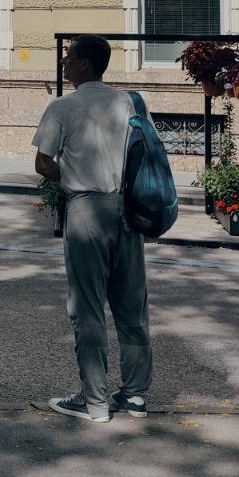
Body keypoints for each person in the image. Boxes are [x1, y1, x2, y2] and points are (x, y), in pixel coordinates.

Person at [32, 34, 151, 424]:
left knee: (87, 307)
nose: (64, 63)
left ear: (84, 63)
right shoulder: (129, 103)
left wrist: (70, 175)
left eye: (69, 57)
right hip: (128, 210)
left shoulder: (63, 106)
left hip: (86, 210)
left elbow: (43, 162)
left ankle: (94, 401)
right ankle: (134, 396)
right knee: (131, 305)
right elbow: (144, 154)